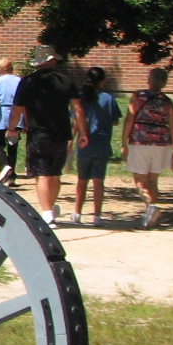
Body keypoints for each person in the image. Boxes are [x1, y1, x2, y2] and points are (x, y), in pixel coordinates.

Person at [8, 46, 88, 226]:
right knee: (54, 174)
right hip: (61, 132)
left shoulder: (28, 82)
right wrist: (83, 132)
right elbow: (78, 109)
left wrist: (12, 128)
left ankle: (47, 213)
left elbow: (17, 109)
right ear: (52, 61)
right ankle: (50, 207)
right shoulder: (66, 81)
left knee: (42, 175)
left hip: (38, 133)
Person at [121, 66, 173, 228]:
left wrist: (124, 143)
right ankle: (150, 213)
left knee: (140, 181)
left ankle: (151, 206)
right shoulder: (167, 102)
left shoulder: (138, 97)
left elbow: (129, 120)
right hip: (162, 143)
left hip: (140, 141)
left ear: (149, 79)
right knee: (153, 179)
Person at [72, 66, 121, 226]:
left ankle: (77, 212)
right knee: (98, 181)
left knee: (82, 180)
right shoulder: (109, 99)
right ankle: (97, 216)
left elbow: (75, 122)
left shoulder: (80, 98)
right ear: (103, 81)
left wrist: (70, 140)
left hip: (84, 144)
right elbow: (115, 120)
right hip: (102, 143)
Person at [0, 57, 22, 185]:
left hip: (2, 115)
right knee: (13, 145)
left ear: (0, 69)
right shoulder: (19, 81)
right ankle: (11, 176)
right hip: (17, 114)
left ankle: (4, 166)